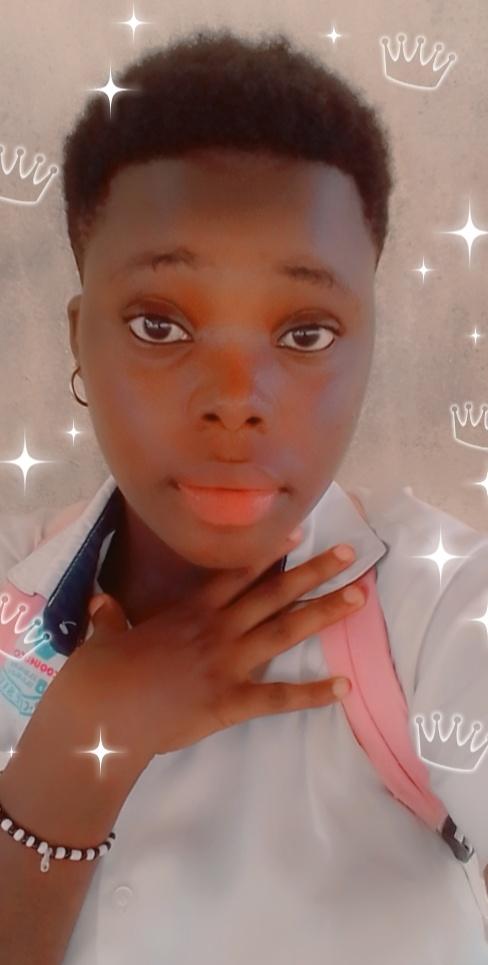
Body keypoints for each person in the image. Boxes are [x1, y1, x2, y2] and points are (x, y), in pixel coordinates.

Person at [1, 25, 488, 965]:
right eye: (159, 323)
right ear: (78, 340)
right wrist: (74, 754)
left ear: (369, 347)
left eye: (306, 334)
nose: (235, 401)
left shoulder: (440, 610)